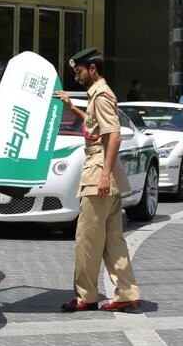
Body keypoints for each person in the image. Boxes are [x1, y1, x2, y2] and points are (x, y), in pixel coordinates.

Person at [53, 48, 142, 314]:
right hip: (107, 175)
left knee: (87, 239)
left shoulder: (100, 95)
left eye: (79, 71)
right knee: (113, 241)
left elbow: (114, 135)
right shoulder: (100, 95)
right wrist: (72, 108)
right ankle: (126, 293)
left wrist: (103, 175)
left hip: (98, 174)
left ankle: (85, 296)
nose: (76, 77)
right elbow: (96, 128)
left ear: (92, 68)